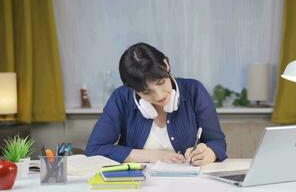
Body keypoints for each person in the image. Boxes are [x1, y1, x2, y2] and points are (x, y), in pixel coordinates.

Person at [85, 42, 227, 166]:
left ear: (165, 64)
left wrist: (209, 153)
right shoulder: (121, 98)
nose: (159, 95)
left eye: (160, 82)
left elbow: (217, 142)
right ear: (132, 89)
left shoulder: (194, 91)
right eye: (147, 92)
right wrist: (154, 156)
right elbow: (94, 149)